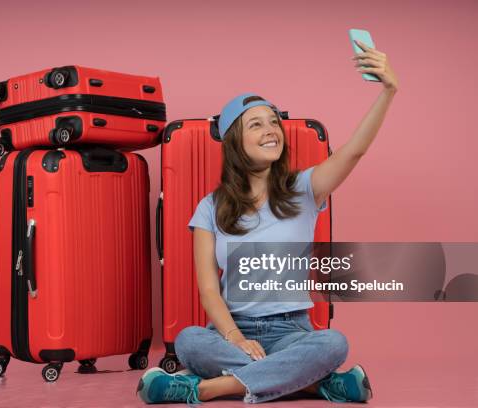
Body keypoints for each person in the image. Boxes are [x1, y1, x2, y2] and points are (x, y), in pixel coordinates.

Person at [137, 40, 398, 404]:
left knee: (333, 342)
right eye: (256, 125)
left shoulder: (304, 188)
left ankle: (206, 388)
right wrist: (235, 337)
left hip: (293, 329)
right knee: (189, 341)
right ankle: (312, 382)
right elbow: (209, 290)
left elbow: (353, 151)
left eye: (274, 122)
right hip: (232, 328)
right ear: (235, 142)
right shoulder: (211, 207)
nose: (271, 130)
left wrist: (388, 91)